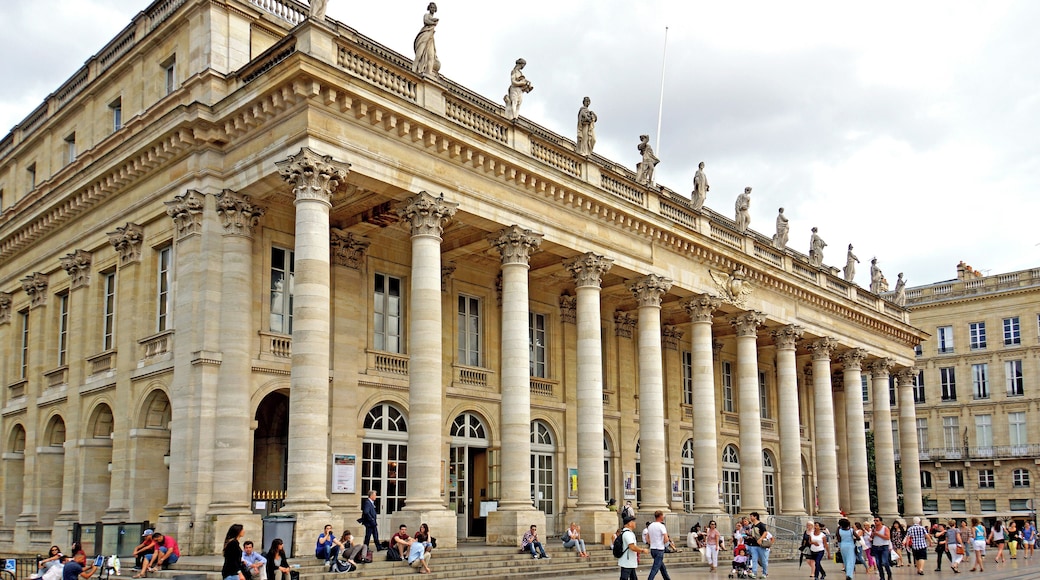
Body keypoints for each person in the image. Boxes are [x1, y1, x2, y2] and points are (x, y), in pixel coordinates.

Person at [411, 3, 440, 76]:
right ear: (429, 8)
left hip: (430, 38)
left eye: (434, 8)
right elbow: (426, 21)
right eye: (431, 7)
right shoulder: (426, 15)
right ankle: (413, 70)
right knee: (419, 54)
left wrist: (434, 22)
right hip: (424, 35)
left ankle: (429, 73)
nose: (432, 9)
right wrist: (434, 21)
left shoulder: (433, 23)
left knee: (431, 56)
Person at [618, 515, 648, 580]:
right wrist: (642, 550)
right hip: (627, 561)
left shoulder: (628, 533)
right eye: (633, 521)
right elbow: (632, 547)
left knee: (632, 577)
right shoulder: (627, 534)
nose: (635, 523)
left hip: (629, 561)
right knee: (624, 578)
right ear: (629, 523)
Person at [647, 510, 673, 580]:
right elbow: (666, 538)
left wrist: (651, 543)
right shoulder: (661, 526)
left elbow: (647, 537)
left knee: (662, 567)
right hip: (659, 549)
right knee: (655, 568)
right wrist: (663, 543)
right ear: (660, 516)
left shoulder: (650, 526)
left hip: (653, 548)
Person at [746, 511, 770, 578]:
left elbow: (765, 533)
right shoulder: (753, 525)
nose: (750, 518)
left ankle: (764, 573)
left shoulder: (761, 524)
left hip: (761, 545)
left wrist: (760, 539)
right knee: (754, 559)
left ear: (755, 517)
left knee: (763, 560)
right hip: (753, 545)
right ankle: (754, 573)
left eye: (751, 516)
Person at [870, 516, 892, 580]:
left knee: (885, 561)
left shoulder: (885, 528)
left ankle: (889, 574)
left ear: (880, 521)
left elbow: (887, 537)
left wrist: (878, 534)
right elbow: (872, 537)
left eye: (877, 521)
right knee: (878, 563)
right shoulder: (874, 528)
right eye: (874, 521)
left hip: (884, 546)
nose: (875, 522)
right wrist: (873, 534)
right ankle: (882, 577)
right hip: (876, 546)